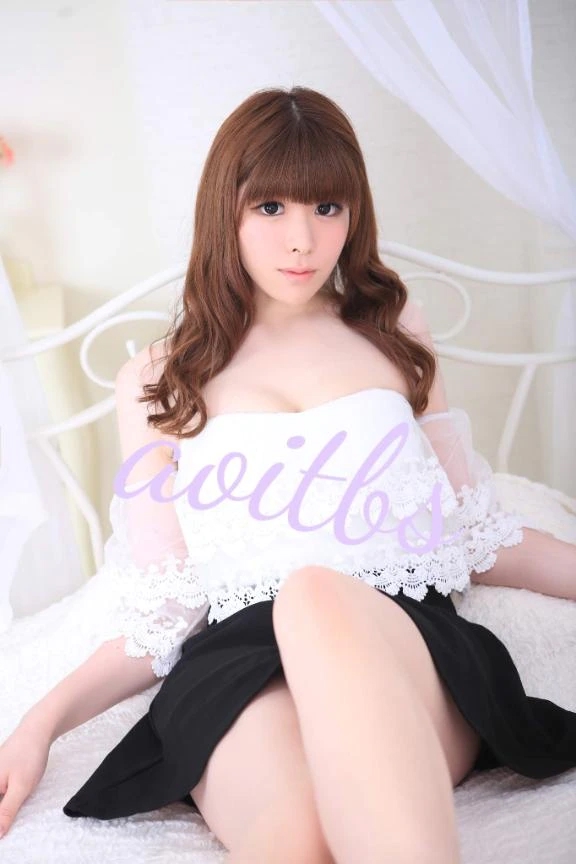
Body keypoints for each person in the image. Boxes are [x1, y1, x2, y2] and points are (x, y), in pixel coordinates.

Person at [1, 86, 575, 864]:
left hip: (402, 639)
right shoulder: (159, 381)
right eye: (270, 207)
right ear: (226, 211)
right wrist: (35, 727)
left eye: (327, 207)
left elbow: (473, 530)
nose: (302, 240)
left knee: (313, 595)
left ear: (354, 213)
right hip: (240, 664)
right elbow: (163, 607)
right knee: (295, 842)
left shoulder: (394, 332)